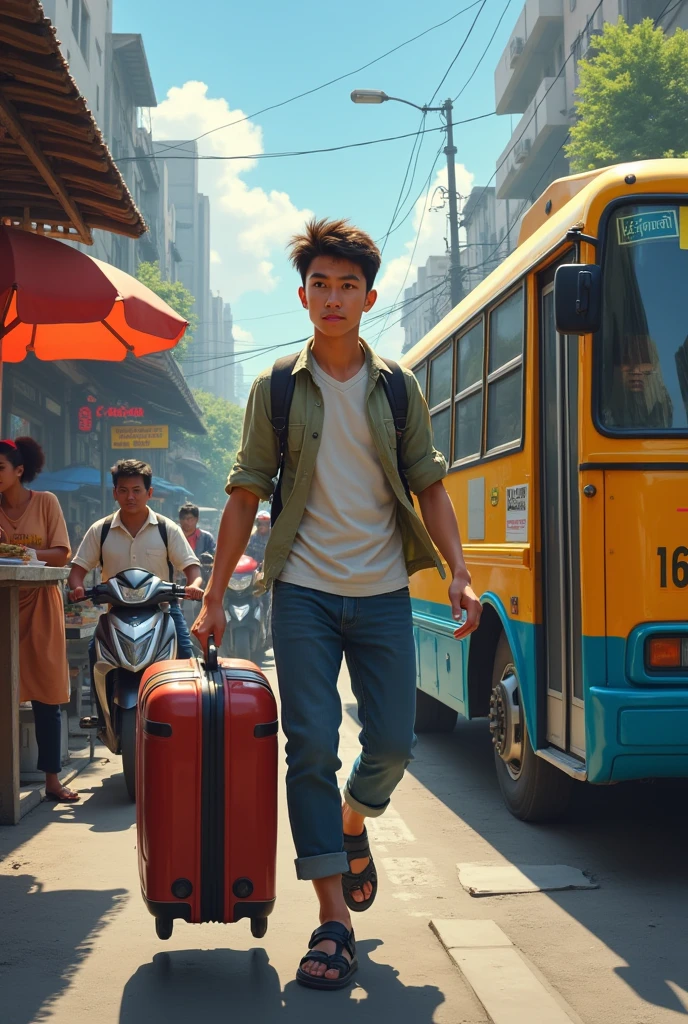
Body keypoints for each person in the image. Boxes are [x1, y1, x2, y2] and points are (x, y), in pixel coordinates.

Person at [193, 218, 482, 990]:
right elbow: (246, 491)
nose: (332, 297)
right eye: (320, 284)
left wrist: (457, 570)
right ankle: (332, 920)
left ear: (369, 297)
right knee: (311, 743)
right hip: (306, 593)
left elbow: (429, 485)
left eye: (347, 285)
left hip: (385, 588)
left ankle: (356, 820)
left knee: (393, 743)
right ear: (303, 295)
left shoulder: (398, 389)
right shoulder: (278, 388)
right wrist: (216, 593)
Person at [68, 460, 204, 724]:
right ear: (114, 493)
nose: (130, 496)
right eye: (123, 490)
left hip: (164, 612)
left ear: (149, 493)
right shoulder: (101, 529)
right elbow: (77, 570)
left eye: (137, 490)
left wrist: (194, 587)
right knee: (93, 654)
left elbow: (193, 571)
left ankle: (187, 724)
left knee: (186, 656)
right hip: (115, 614)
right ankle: (103, 717)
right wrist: (76, 587)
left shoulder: (167, 529)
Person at [0, 437, 77, 802]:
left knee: (47, 695)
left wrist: (29, 553)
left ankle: (51, 779)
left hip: (43, 606)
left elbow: (62, 554)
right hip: (3, 607)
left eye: (0, 468)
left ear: (19, 471)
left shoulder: (46, 502)